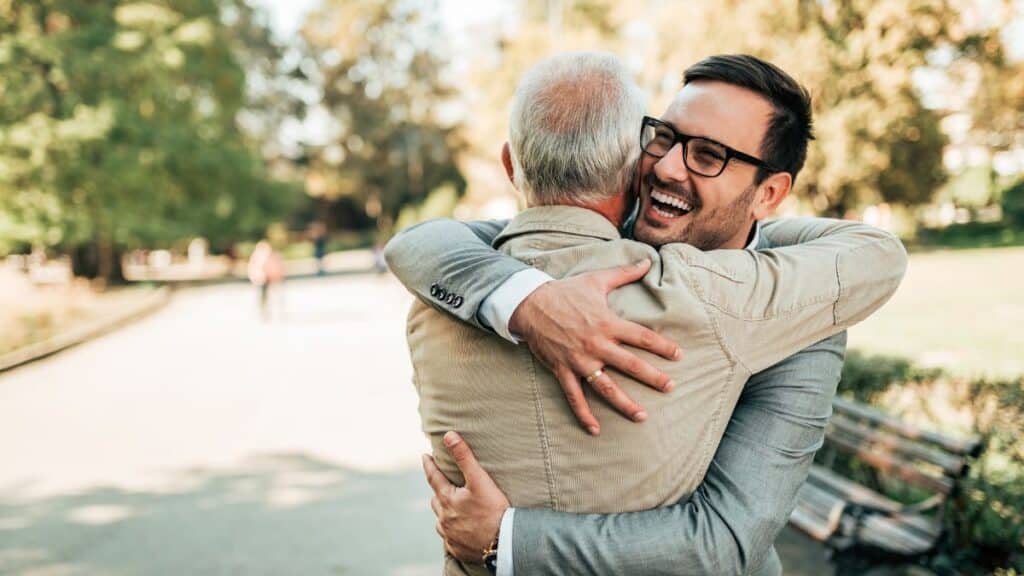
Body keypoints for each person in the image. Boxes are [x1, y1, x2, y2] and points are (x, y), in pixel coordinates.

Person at [390, 53, 907, 575]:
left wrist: (507, 539)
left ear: (768, 193)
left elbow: (724, 541)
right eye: (663, 137)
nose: (665, 166)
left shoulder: (801, 314)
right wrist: (525, 300)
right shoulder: (581, 244)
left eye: (708, 155)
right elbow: (424, 243)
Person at [247, 240, 284, 321]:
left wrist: (277, 275)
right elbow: (253, 268)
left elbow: (277, 267)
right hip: (262, 279)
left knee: (271, 296)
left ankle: (271, 311)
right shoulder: (259, 257)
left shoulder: (271, 256)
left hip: (268, 278)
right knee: (263, 296)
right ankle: (264, 311)